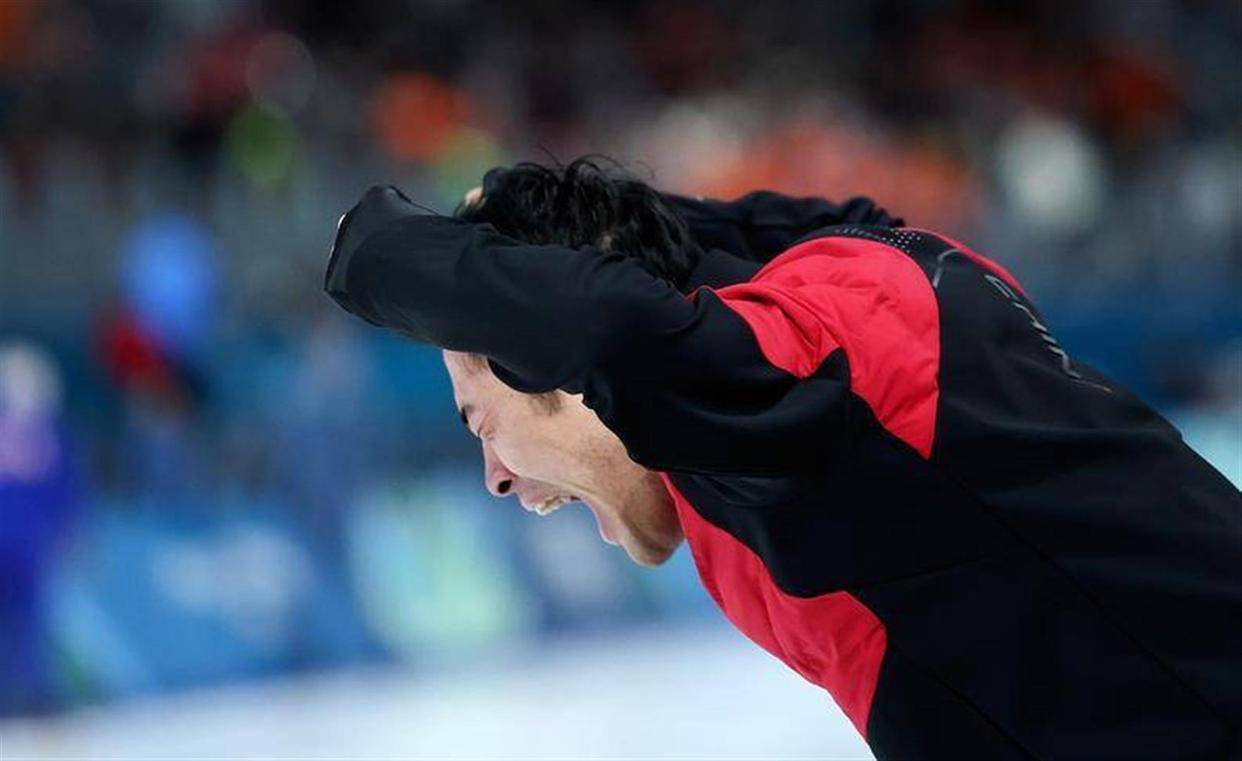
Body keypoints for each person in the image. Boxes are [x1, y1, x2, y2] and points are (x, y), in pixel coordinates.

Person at [324, 158, 1241, 759]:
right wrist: (523, 228)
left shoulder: (812, 379)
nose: (493, 474)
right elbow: (671, 253)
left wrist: (368, 248)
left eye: (481, 420)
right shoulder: (860, 270)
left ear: (553, 362)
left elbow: (612, 326)